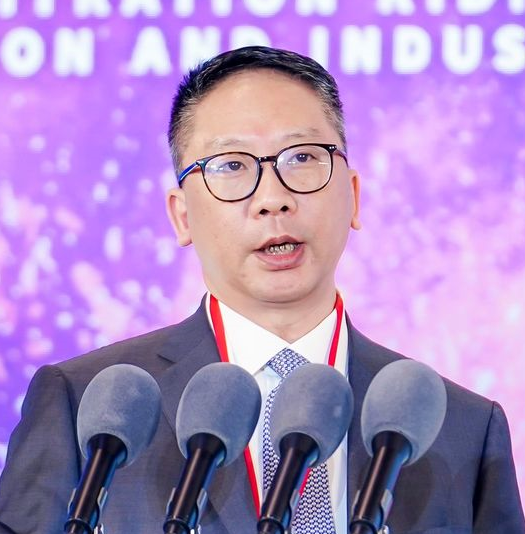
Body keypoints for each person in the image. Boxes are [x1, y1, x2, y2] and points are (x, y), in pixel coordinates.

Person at [0, 46, 523, 534]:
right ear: (182, 216)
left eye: (302, 158)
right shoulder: (89, 410)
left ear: (354, 195)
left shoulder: (464, 428)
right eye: (231, 166)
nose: (273, 198)